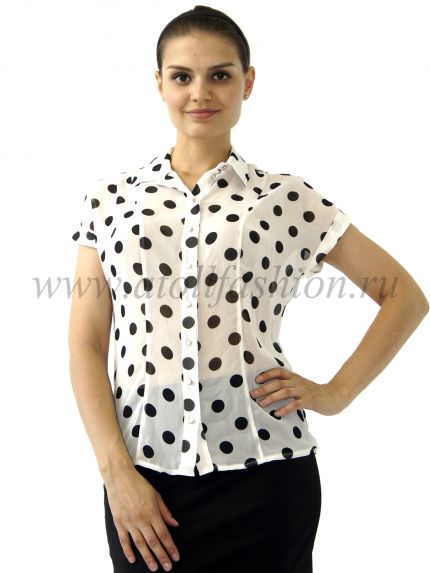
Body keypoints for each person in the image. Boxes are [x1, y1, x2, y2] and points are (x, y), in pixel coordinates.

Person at [68, 5, 429, 573]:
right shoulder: (111, 200)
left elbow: (404, 296)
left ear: (247, 81)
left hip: (267, 476)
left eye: (220, 74)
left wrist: (336, 393)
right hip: (144, 480)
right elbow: (86, 344)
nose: (200, 93)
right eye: (182, 76)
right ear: (159, 83)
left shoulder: (286, 198)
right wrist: (116, 473)